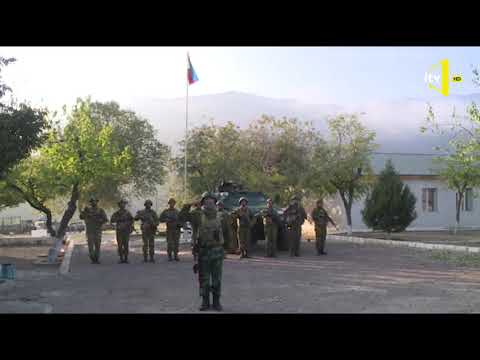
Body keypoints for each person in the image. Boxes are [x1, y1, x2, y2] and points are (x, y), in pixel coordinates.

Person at [179, 192, 225, 311]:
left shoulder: (221, 215)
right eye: (206, 201)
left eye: (211, 201)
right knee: (204, 279)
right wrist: (188, 204)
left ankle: (216, 302)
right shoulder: (197, 215)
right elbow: (181, 217)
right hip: (203, 252)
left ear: (215, 203)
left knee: (217, 279)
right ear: (202, 203)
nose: (209, 203)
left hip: (217, 252)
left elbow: (227, 233)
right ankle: (205, 302)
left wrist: (228, 249)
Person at [79, 197, 108, 264]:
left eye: (94, 201)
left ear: (97, 202)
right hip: (90, 230)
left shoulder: (100, 210)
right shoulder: (87, 210)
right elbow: (81, 217)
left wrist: (99, 221)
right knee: (90, 245)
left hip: (97, 230)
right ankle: (92, 258)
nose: (93, 202)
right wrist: (84, 212)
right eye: (91, 201)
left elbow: (105, 219)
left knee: (97, 245)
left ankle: (97, 258)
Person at [110, 199, 134, 263]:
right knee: (120, 245)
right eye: (121, 204)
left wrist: (130, 226)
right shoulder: (117, 213)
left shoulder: (128, 213)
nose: (122, 205)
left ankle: (126, 258)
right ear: (119, 205)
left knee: (126, 244)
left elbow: (132, 220)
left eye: (123, 204)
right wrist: (119, 219)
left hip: (126, 231)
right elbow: (112, 220)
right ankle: (121, 258)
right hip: (119, 231)